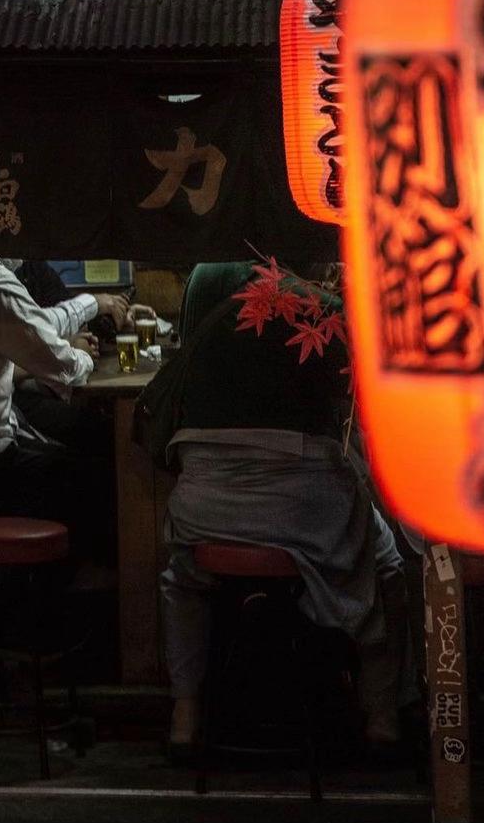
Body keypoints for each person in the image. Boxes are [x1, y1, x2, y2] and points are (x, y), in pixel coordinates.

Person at [159, 262, 413, 757]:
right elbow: (364, 414)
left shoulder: (204, 284)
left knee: (181, 577)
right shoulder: (326, 312)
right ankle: (383, 716)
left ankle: (184, 715)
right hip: (306, 510)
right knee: (386, 565)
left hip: (207, 504)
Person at [0, 163, 128, 563]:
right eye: (5, 213)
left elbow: (31, 324)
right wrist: (82, 356)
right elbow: (63, 364)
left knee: (77, 460)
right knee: (103, 478)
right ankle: (58, 591)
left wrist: (90, 305)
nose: (15, 225)